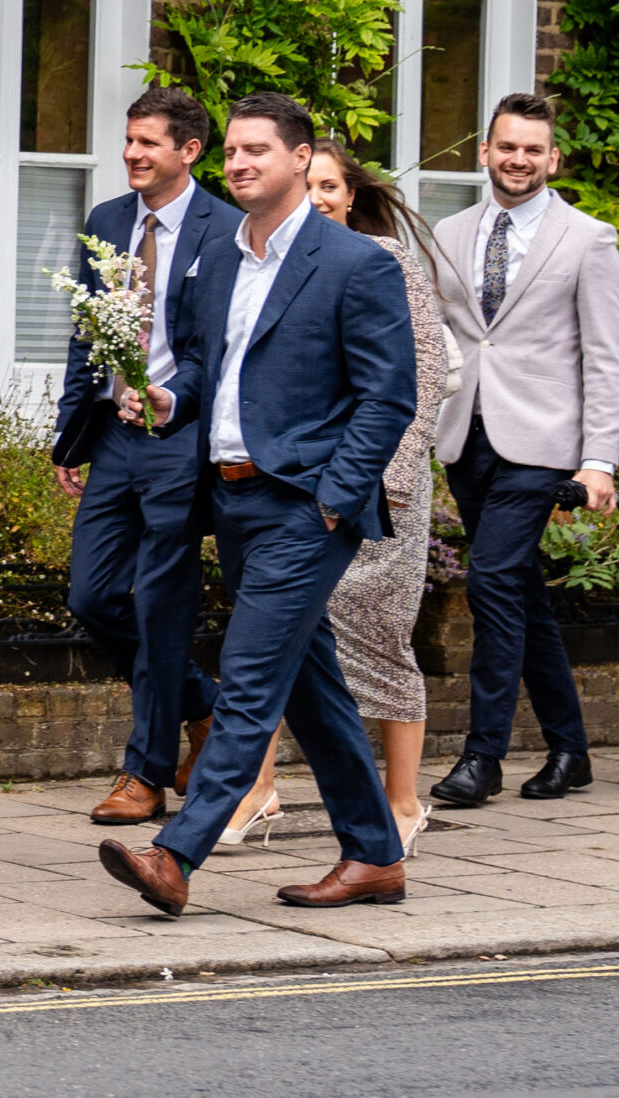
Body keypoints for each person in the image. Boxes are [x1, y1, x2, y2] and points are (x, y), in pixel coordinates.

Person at [97, 92, 415, 917]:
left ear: (301, 160)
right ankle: (376, 855)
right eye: (232, 152)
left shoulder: (356, 264)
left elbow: (388, 398)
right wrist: (170, 401)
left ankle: (176, 856)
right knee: (311, 686)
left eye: (257, 151)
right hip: (231, 501)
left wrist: (336, 500)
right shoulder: (220, 260)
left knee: (246, 680)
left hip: (305, 509)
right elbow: (209, 370)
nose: (239, 164)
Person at [221, 141, 451, 857]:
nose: (319, 196)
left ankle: (402, 800)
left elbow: (421, 379)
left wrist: (394, 480)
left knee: (380, 642)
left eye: (331, 185)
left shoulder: (384, 261)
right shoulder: (264, 261)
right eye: (310, 183)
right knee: (276, 641)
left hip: (378, 491)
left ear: (350, 196)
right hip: (296, 495)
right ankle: (256, 790)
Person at [425, 94, 619, 809]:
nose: (519, 160)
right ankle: (570, 749)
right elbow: (448, 338)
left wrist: (598, 459)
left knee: (489, 581)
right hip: (466, 435)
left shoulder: (588, 239)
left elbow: (606, 358)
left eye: (533, 150)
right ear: (485, 151)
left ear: (553, 159)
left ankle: (483, 758)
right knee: (518, 592)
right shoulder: (447, 232)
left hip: (543, 442)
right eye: (507, 147)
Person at [52, 88, 238, 826]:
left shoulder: (225, 228)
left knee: (162, 606)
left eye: (148, 143)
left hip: (179, 440)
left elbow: (214, 349)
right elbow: (84, 337)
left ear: (188, 151)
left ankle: (145, 773)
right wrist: (69, 435)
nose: (132, 153)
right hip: (113, 438)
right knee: (92, 596)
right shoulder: (105, 222)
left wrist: (172, 401)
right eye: (129, 140)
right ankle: (203, 706)